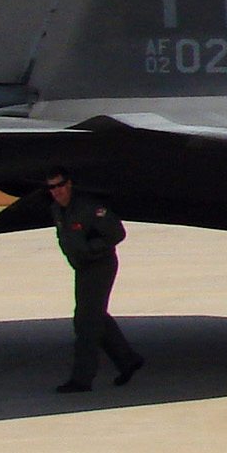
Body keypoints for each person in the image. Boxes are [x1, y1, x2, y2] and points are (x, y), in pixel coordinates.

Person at [48, 168, 144, 393]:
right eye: (52, 187)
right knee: (94, 315)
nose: (57, 191)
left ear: (69, 184)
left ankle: (82, 379)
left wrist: (92, 249)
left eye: (60, 185)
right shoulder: (57, 210)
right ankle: (128, 360)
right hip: (83, 267)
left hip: (100, 265)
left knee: (85, 323)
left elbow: (117, 233)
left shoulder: (89, 207)